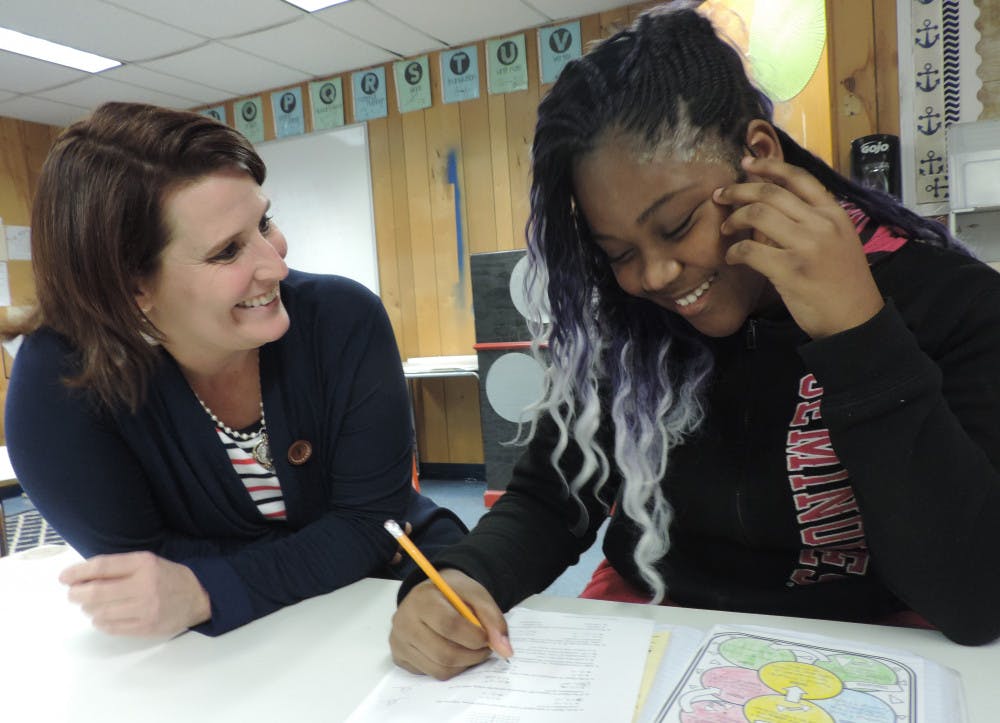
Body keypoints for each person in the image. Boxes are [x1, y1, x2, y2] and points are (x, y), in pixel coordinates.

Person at [389, 3, 1000, 679]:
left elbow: (975, 597)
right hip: (659, 628)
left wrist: (858, 333)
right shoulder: (625, 321)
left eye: (678, 225)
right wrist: (468, 577)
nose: (652, 274)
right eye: (618, 251)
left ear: (759, 154)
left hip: (867, 644)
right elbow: (551, 496)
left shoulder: (948, 301)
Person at [3, 102, 466, 637]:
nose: (277, 265)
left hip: (394, 588)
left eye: (264, 223)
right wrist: (332, 543)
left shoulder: (342, 318)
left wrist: (207, 587)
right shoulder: (61, 383)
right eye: (227, 251)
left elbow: (369, 525)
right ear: (133, 287)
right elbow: (139, 574)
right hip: (222, 649)